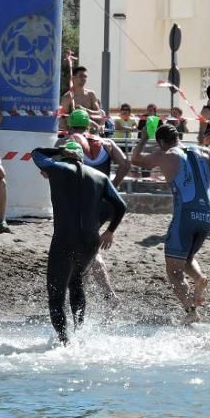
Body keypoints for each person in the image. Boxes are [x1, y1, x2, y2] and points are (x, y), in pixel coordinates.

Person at [131, 123, 210, 323]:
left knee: (174, 271)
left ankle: (191, 312)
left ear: (161, 142)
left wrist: (144, 136)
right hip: (207, 216)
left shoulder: (166, 154)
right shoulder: (203, 151)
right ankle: (199, 279)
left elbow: (135, 159)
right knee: (187, 258)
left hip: (185, 215)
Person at [31, 141, 127, 345]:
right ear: (81, 158)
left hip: (65, 239)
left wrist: (57, 151)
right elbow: (120, 205)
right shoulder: (99, 176)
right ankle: (80, 334)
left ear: (65, 156)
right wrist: (110, 231)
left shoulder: (57, 168)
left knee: (56, 296)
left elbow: (37, 152)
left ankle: (64, 343)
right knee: (76, 284)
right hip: (90, 242)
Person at [60, 108, 131, 302]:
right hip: (105, 203)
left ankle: (109, 296)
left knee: (88, 249)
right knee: (83, 247)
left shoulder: (70, 141)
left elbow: (56, 164)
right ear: (89, 125)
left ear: (69, 125)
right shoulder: (107, 143)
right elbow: (126, 164)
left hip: (85, 205)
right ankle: (84, 288)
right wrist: (111, 188)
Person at [60, 66, 104, 130]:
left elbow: (98, 112)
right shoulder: (67, 97)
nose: (83, 78)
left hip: (90, 131)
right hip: (73, 132)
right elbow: (63, 118)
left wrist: (85, 110)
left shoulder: (90, 94)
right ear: (73, 78)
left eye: (85, 76)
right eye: (81, 76)